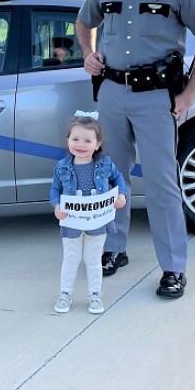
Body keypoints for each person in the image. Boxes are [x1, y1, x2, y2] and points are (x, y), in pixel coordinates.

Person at [75, 0, 195, 299]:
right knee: (113, 178)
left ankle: (173, 267)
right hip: (111, 94)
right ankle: (114, 248)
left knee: (161, 185)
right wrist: (87, 52)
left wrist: (190, 93)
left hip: (156, 98)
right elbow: (83, 22)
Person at [50, 113, 129, 314]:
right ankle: (65, 293)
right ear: (67, 140)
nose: (80, 144)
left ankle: (95, 295)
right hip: (71, 221)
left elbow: (119, 178)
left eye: (87, 140)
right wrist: (57, 206)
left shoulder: (104, 164)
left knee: (93, 260)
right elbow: (55, 189)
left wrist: (121, 195)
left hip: (97, 220)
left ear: (97, 144)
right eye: (75, 139)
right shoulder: (62, 167)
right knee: (70, 259)